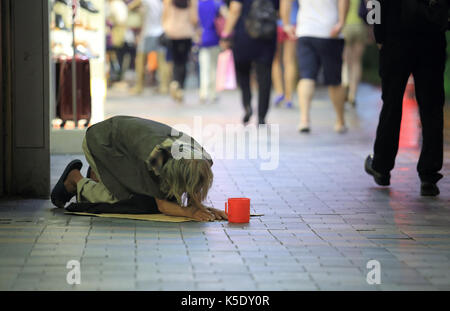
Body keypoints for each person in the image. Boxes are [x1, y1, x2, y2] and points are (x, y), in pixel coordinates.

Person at [50, 116, 227, 222]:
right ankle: (75, 179)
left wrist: (203, 208)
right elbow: (163, 205)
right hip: (101, 142)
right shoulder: (157, 159)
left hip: (121, 141)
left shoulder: (202, 159)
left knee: (151, 193)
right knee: (125, 199)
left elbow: (190, 184)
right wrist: (189, 212)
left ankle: (99, 175)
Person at [365, 0, 449, 196]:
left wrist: (378, 34)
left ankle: (381, 166)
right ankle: (429, 174)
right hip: (431, 37)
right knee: (432, 107)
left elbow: (375, 2)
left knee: (391, 103)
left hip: (396, 36)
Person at [282, 0, 350, 133]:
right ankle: (340, 121)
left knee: (306, 77)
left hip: (305, 31)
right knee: (335, 81)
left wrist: (286, 24)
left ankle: (304, 119)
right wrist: (342, 21)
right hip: (330, 31)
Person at [220, 0, 279, 125]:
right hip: (267, 35)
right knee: (264, 76)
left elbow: (235, 10)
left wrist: (225, 34)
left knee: (243, 72)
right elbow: (278, 11)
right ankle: (262, 115)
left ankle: (247, 105)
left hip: (244, 34)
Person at [163, 0, 199, 102]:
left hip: (172, 33)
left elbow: (164, 15)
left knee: (175, 60)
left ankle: (175, 81)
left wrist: (166, 27)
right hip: (186, 33)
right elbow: (194, 19)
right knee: (183, 62)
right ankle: (180, 87)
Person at [129, 0, 167, 95]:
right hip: (160, 32)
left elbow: (130, 7)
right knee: (162, 61)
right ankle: (164, 86)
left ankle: (139, 87)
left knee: (140, 61)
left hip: (148, 33)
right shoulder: (159, 3)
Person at [198, 0, 226, 104]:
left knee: (204, 68)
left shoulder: (198, 3)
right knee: (214, 67)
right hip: (215, 38)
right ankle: (213, 93)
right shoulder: (217, 3)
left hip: (202, 38)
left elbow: (194, 20)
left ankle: (203, 93)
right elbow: (226, 16)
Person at [342, 0, 368, 107]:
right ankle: (353, 94)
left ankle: (346, 82)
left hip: (345, 26)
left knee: (345, 60)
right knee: (356, 62)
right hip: (360, 26)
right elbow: (371, 6)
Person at [272, 0, 298, 109]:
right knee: (290, 61)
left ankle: (279, 92)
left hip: (275, 24)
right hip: (293, 23)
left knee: (275, 60)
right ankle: (289, 97)